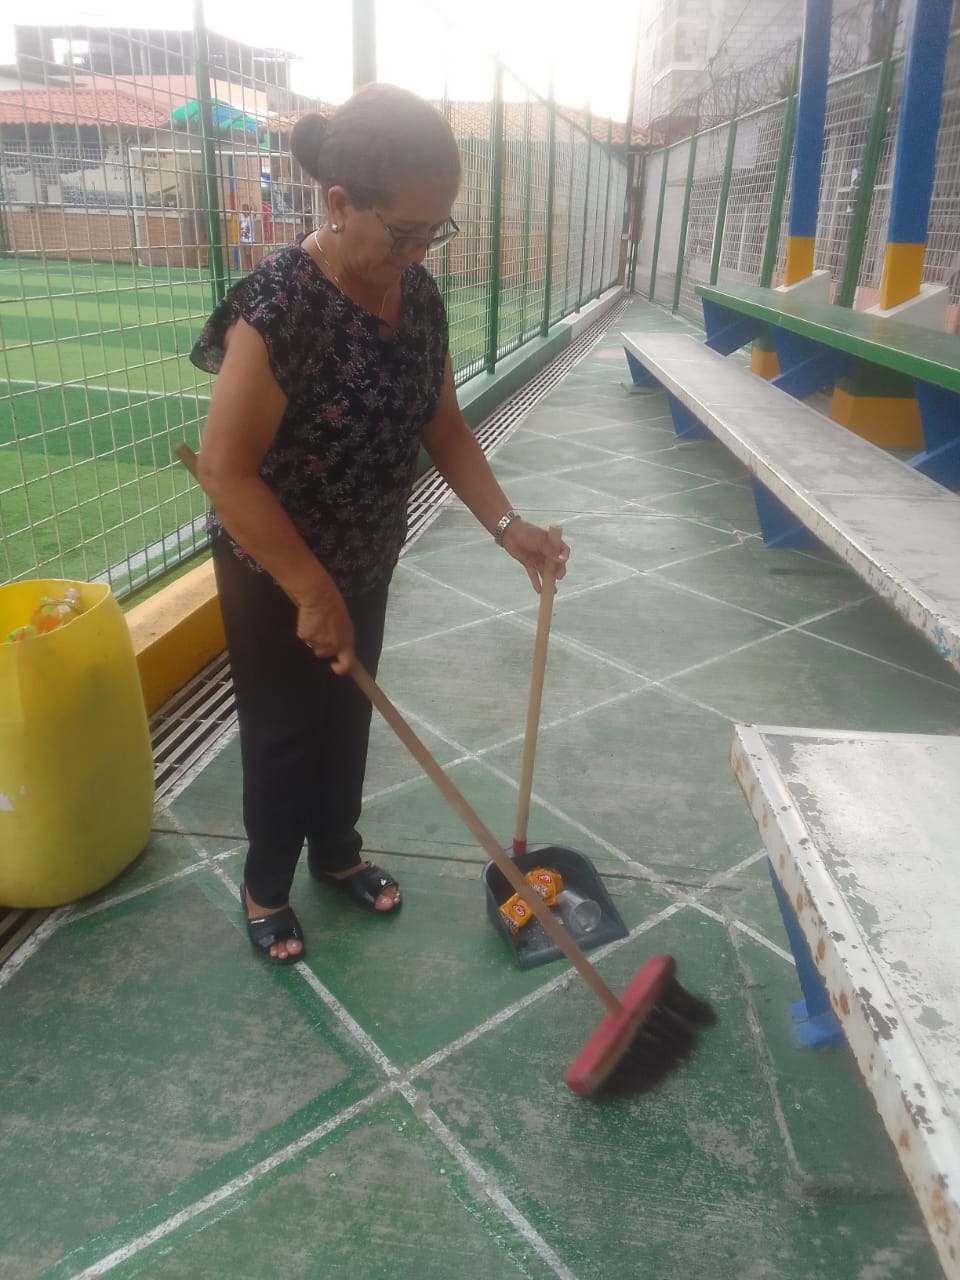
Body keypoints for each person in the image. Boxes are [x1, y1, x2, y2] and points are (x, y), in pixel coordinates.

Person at [190, 84, 569, 965]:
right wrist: (308, 588)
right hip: (274, 565)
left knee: (350, 717)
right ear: (338, 203)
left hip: (366, 551)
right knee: (286, 732)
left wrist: (507, 523)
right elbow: (225, 470)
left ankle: (337, 855)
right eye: (402, 232)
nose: (417, 251)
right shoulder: (281, 306)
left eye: (435, 231)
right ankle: (266, 885)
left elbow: (444, 426)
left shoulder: (418, 295)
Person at [237, 205, 255, 272]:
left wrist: (252, 201)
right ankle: (247, 267)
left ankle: (251, 266)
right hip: (243, 237)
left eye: (245, 209)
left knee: (248, 253)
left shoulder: (251, 216)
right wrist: (239, 234)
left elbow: (255, 209)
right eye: (243, 209)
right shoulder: (241, 216)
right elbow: (239, 225)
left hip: (250, 238)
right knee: (245, 254)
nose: (243, 211)